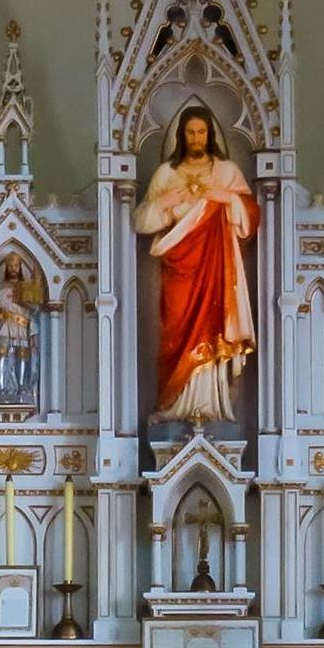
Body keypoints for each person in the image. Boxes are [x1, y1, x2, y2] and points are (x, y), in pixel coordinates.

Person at [132, 105, 259, 422]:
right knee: (176, 333)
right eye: (190, 132)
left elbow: (250, 218)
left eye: (201, 131)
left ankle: (210, 406)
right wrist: (165, 202)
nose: (196, 138)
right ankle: (174, 406)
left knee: (212, 329)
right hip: (179, 270)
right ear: (181, 135)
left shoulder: (226, 172)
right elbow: (140, 222)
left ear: (210, 134)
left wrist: (225, 198)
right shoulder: (166, 174)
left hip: (215, 270)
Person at [0, 253, 40, 408]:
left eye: (16, 266)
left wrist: (26, 300)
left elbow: (35, 308)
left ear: (20, 267)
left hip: (21, 326)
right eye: (10, 266)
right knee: (2, 354)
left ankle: (22, 388)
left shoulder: (26, 287)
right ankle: (1, 388)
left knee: (22, 356)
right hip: (5, 326)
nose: (13, 269)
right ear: (6, 268)